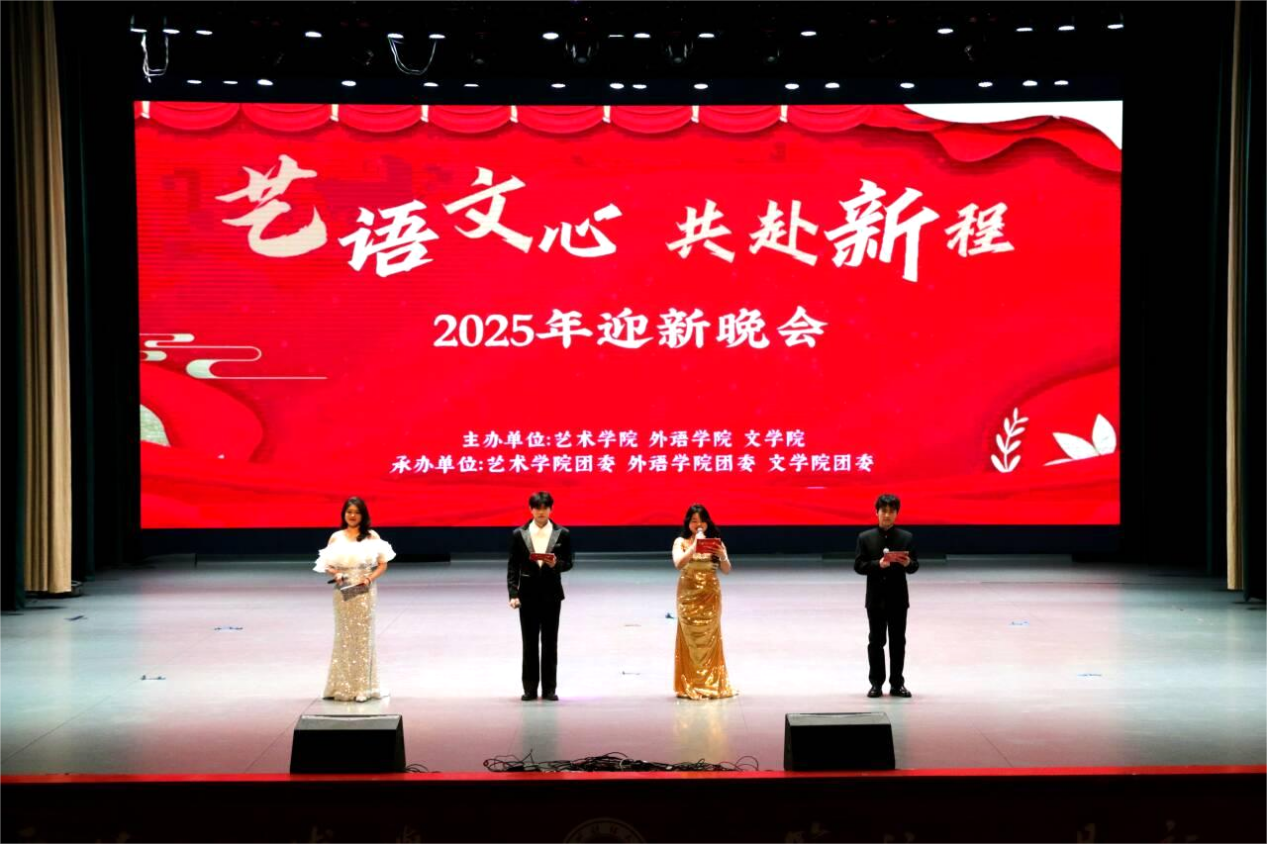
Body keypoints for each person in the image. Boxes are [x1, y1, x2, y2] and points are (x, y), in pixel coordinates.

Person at [313, 496, 394, 702]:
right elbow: (327, 565)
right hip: (343, 591)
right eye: (349, 512)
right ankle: (341, 686)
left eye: (356, 512)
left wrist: (369, 579)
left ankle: (363, 687)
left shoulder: (372, 537)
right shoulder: (336, 537)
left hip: (364, 591)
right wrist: (337, 574)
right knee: (344, 636)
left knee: (363, 637)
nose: (352, 515)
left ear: (363, 515)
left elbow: (383, 564)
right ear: (344, 514)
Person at [507, 491, 573, 701]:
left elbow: (569, 563)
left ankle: (549, 689)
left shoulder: (562, 533)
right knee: (529, 643)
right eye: (537, 508)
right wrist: (513, 593)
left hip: (552, 595)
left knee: (550, 643)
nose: (541, 512)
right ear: (531, 509)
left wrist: (556, 564)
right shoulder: (519, 534)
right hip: (527, 595)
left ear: (551, 509)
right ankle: (529, 688)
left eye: (545, 508)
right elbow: (513, 565)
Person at [854, 493, 919, 698]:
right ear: (877, 512)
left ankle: (897, 684)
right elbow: (858, 565)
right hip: (875, 599)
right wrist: (878, 565)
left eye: (891, 511)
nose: (887, 515)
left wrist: (908, 563)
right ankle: (876, 684)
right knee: (876, 641)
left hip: (898, 599)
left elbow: (915, 566)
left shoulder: (906, 537)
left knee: (898, 642)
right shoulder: (865, 538)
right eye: (884, 511)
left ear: (897, 513)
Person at [671, 503, 736, 700]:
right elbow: (678, 563)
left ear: (707, 523)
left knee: (710, 637)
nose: (697, 525)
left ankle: (711, 683)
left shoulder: (715, 543)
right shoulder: (681, 542)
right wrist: (694, 546)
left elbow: (726, 570)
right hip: (688, 596)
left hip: (710, 596)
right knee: (690, 638)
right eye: (693, 521)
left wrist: (722, 556)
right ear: (688, 523)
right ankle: (690, 682)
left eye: (701, 521)